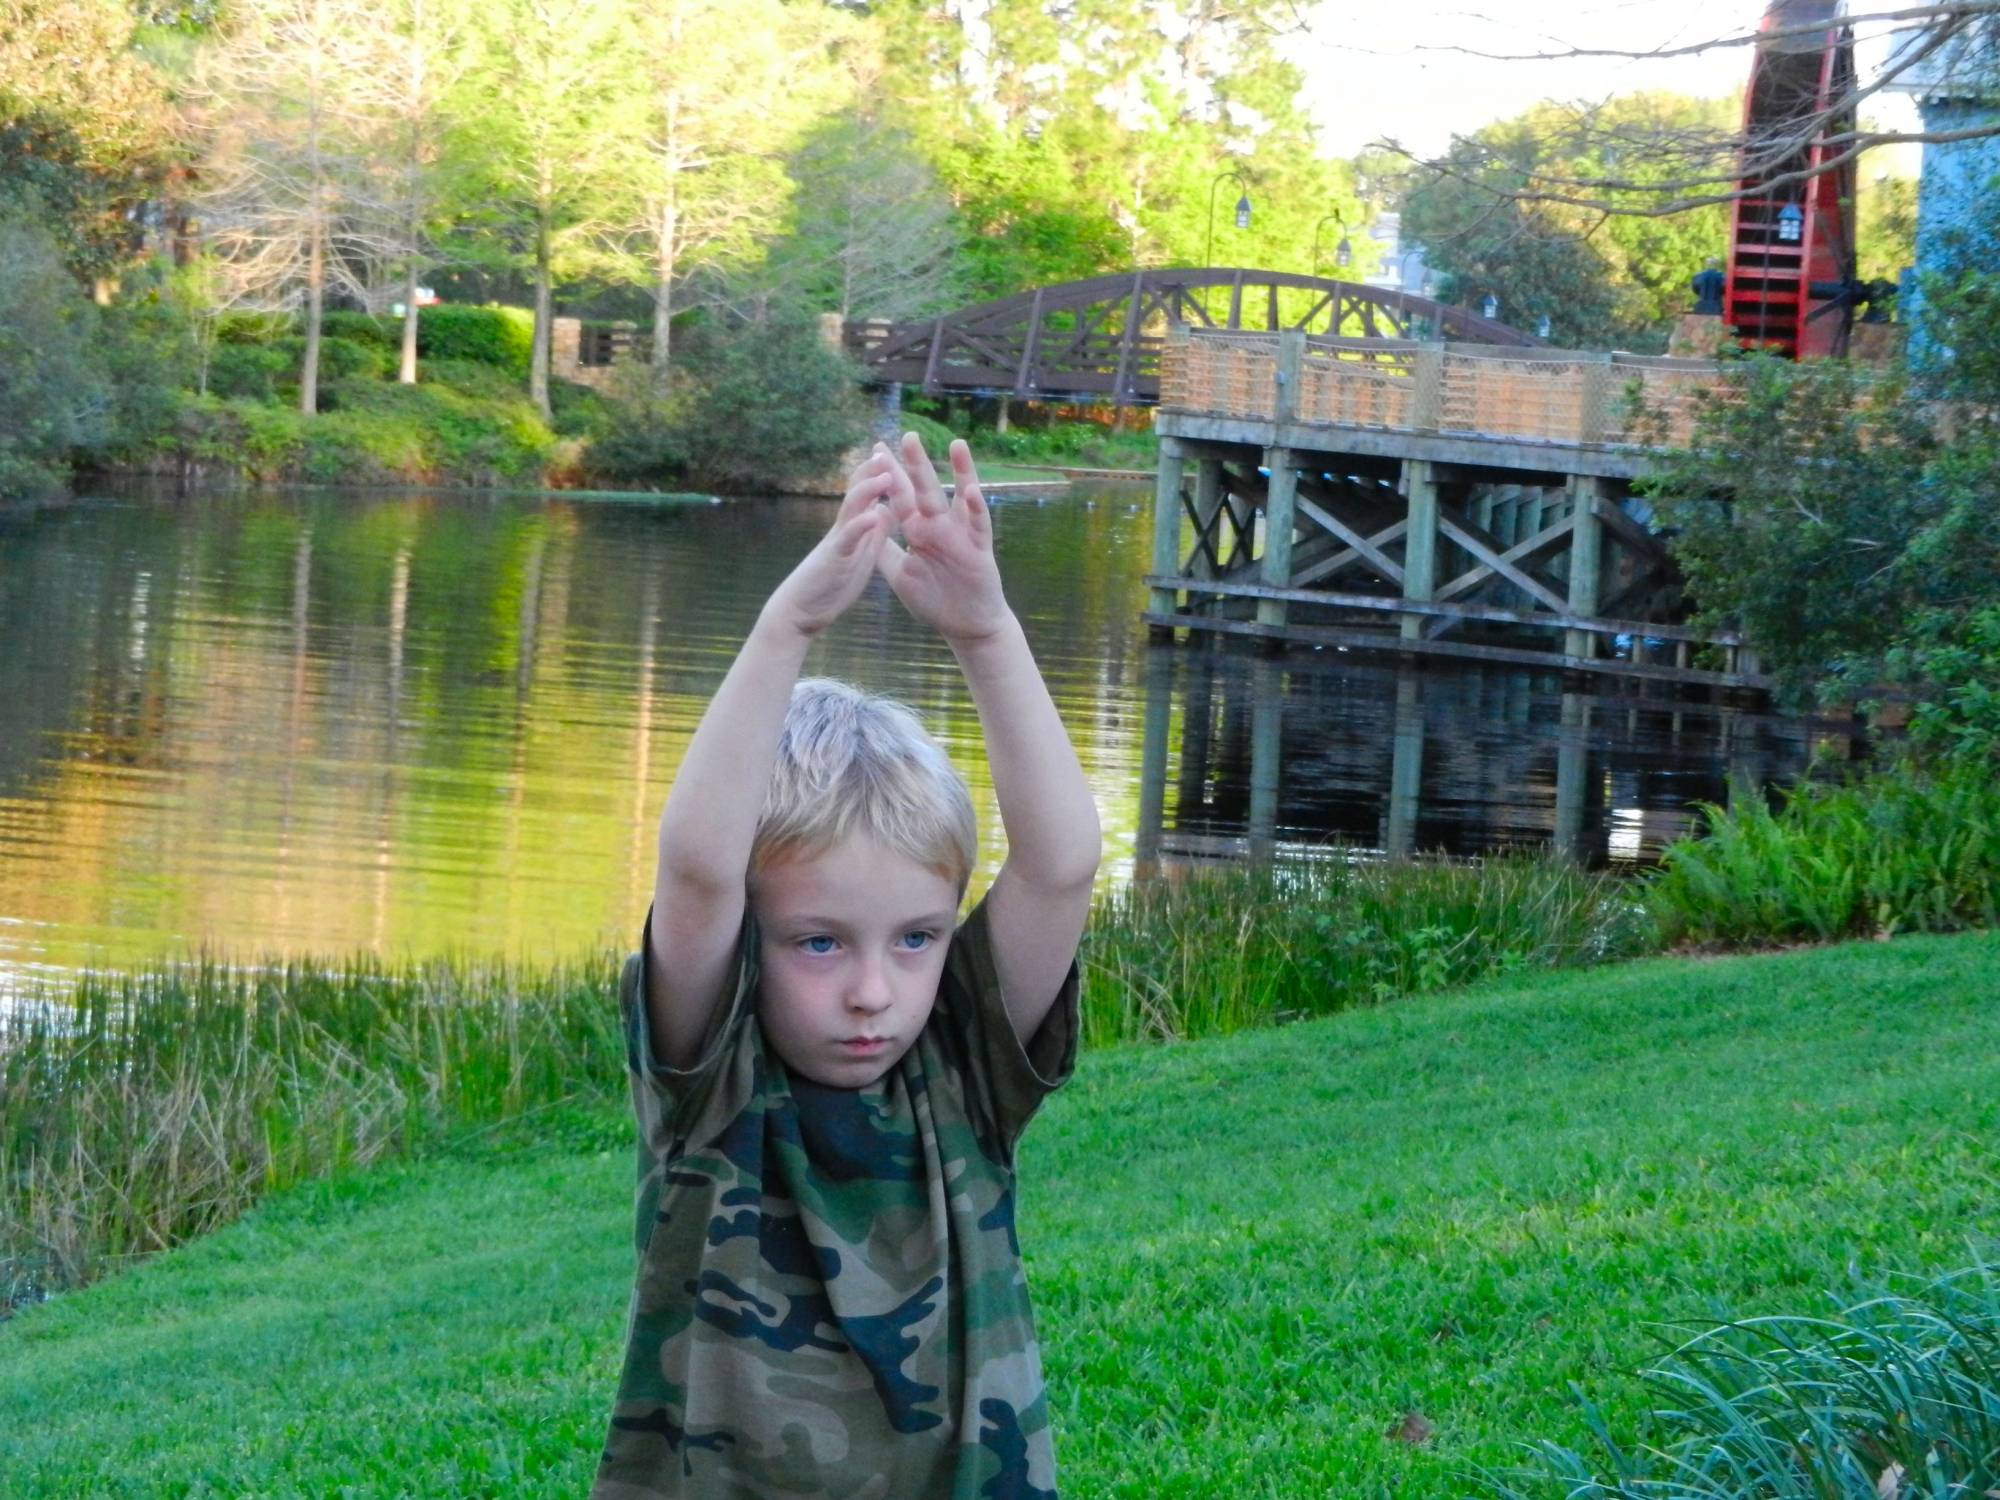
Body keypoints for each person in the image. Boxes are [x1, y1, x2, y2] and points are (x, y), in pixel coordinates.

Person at [592, 434, 1102, 1499]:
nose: (874, 991)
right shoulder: (712, 1078)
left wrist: (986, 629)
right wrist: (789, 623)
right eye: (818, 941)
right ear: (753, 937)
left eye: (916, 937)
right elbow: (693, 869)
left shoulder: (961, 1064)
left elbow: (1059, 865)